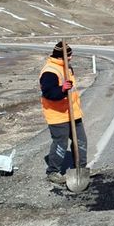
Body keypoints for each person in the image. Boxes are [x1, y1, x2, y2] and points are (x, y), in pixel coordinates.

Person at [39, 41, 88, 184]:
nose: (72, 57)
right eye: (70, 55)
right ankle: (52, 172)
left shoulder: (66, 67)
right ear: (63, 56)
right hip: (58, 114)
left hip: (73, 112)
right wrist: (61, 89)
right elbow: (48, 93)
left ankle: (80, 168)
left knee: (81, 141)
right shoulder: (50, 71)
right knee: (61, 144)